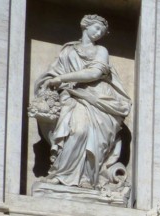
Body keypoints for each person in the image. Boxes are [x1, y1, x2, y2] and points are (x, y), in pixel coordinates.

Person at [31, 15, 132, 190]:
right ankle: (61, 174)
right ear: (85, 26)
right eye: (96, 28)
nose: (99, 33)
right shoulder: (68, 51)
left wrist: (61, 78)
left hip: (97, 99)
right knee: (77, 131)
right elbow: (52, 73)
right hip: (71, 96)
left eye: (102, 31)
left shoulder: (101, 50)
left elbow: (93, 74)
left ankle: (88, 178)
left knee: (94, 138)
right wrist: (51, 81)